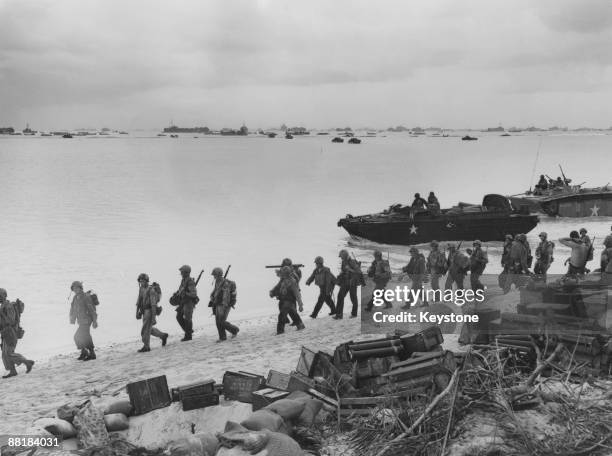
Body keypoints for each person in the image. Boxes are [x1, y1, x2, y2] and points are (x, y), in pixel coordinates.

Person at [0, 289, 34, 378]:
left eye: (0, 295)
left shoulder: (8, 306)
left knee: (9, 353)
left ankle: (27, 362)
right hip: (5, 333)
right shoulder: (2, 306)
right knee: (4, 354)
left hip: (10, 332)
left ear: (4, 295)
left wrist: (2, 315)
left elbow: (11, 321)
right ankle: (13, 371)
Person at [136, 273, 168, 352]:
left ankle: (146, 346)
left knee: (145, 330)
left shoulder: (151, 290)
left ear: (146, 281)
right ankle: (163, 335)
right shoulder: (141, 289)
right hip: (144, 311)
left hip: (149, 311)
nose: (141, 282)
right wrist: (137, 312)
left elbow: (153, 305)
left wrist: (154, 318)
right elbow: (139, 301)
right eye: (140, 281)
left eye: (143, 281)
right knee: (149, 329)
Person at [270, 266, 305, 334]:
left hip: (289, 301)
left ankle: (280, 331)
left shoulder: (292, 281)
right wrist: (272, 292)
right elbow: (277, 287)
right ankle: (300, 325)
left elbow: (297, 294)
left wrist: (300, 305)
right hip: (283, 300)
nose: (282, 275)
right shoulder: (283, 280)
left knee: (282, 316)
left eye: (284, 273)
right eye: (282, 273)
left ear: (287, 273)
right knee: (293, 314)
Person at [69, 281, 98, 361]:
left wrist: (95, 321)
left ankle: (91, 353)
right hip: (81, 321)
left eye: (76, 288)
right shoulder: (76, 297)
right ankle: (84, 352)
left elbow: (92, 310)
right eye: (73, 288)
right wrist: (72, 319)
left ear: (80, 288)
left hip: (87, 320)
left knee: (80, 336)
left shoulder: (85, 297)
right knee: (82, 336)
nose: (75, 290)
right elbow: (73, 309)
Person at [210, 267, 239, 342]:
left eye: (215, 275)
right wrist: (212, 297)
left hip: (224, 304)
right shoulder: (217, 282)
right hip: (218, 303)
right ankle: (222, 337)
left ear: (218, 274)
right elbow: (215, 291)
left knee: (221, 321)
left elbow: (226, 295)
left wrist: (224, 305)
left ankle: (234, 330)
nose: (214, 276)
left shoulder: (225, 283)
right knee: (218, 321)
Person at [335, 250, 362, 319]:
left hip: (352, 282)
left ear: (344, 255)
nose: (341, 258)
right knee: (340, 296)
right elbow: (343, 271)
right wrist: (341, 274)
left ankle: (354, 314)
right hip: (345, 282)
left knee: (353, 298)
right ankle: (339, 315)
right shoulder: (343, 262)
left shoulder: (352, 262)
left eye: (341, 256)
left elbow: (358, 271)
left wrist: (350, 269)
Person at [174, 265, 198, 341]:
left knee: (188, 319)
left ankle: (188, 336)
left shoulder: (190, 281)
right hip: (183, 302)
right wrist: (177, 293)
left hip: (189, 302)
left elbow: (194, 294)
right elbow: (180, 290)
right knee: (179, 316)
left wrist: (186, 293)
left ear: (186, 272)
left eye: (182, 272)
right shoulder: (183, 280)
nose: (181, 273)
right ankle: (189, 331)